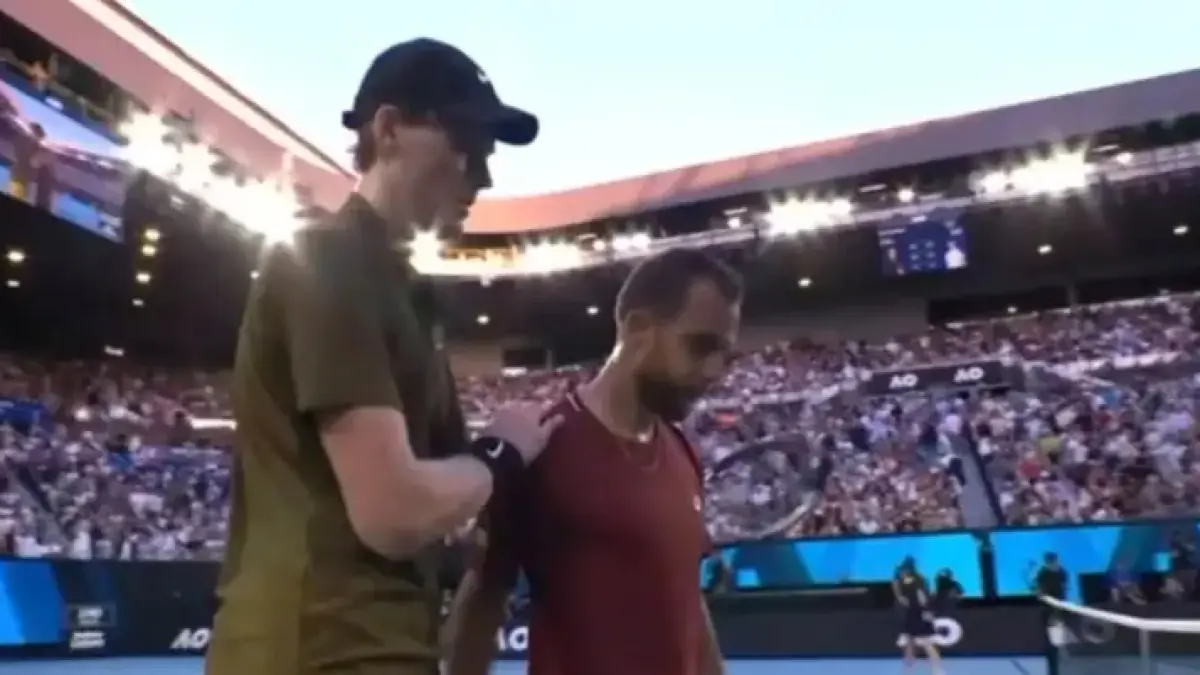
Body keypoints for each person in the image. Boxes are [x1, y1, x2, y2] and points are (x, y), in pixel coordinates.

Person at [205, 38, 555, 675]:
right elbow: (393, 512)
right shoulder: (329, 257)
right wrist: (500, 455)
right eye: (466, 144)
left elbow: (433, 502)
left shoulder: (403, 292)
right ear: (388, 129)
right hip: (320, 651)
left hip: (363, 646)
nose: (483, 176)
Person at [444, 249, 741, 675]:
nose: (714, 371)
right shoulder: (542, 445)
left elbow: (689, 605)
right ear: (637, 328)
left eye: (725, 355)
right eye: (700, 346)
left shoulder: (683, 452)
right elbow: (482, 604)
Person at [893, 558, 944, 675]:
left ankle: (937, 669)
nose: (902, 572)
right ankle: (908, 668)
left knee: (925, 642)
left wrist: (925, 610)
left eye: (903, 569)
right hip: (912, 613)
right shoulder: (911, 579)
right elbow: (901, 596)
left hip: (918, 613)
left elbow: (921, 596)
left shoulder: (916, 580)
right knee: (910, 641)